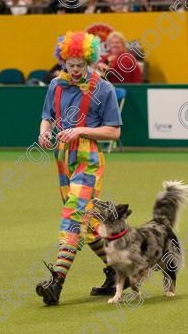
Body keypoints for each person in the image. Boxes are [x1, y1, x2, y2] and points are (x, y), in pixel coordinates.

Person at [36, 31, 123, 306]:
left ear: (90, 60)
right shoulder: (55, 86)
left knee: (74, 214)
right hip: (62, 156)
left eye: (79, 65)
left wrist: (80, 131)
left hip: (89, 157)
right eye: (69, 65)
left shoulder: (104, 88)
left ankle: (56, 282)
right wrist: (44, 132)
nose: (74, 70)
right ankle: (117, 271)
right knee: (86, 223)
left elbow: (114, 132)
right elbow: (47, 117)